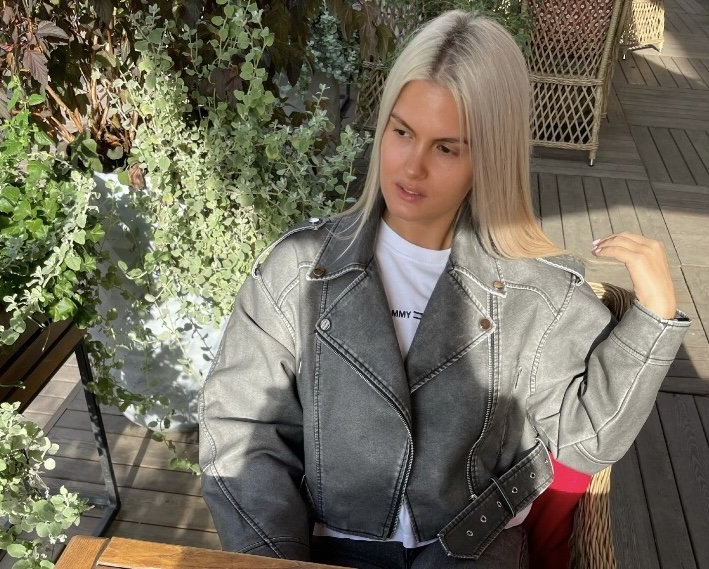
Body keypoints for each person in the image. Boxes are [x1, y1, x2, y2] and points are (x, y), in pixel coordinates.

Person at [199, 9, 690, 568]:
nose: (412, 167)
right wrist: (274, 561)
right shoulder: (298, 269)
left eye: (447, 148)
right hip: (328, 547)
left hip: (473, 550)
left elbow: (586, 441)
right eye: (402, 132)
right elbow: (242, 427)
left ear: (491, 156)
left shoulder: (538, 290)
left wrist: (655, 317)